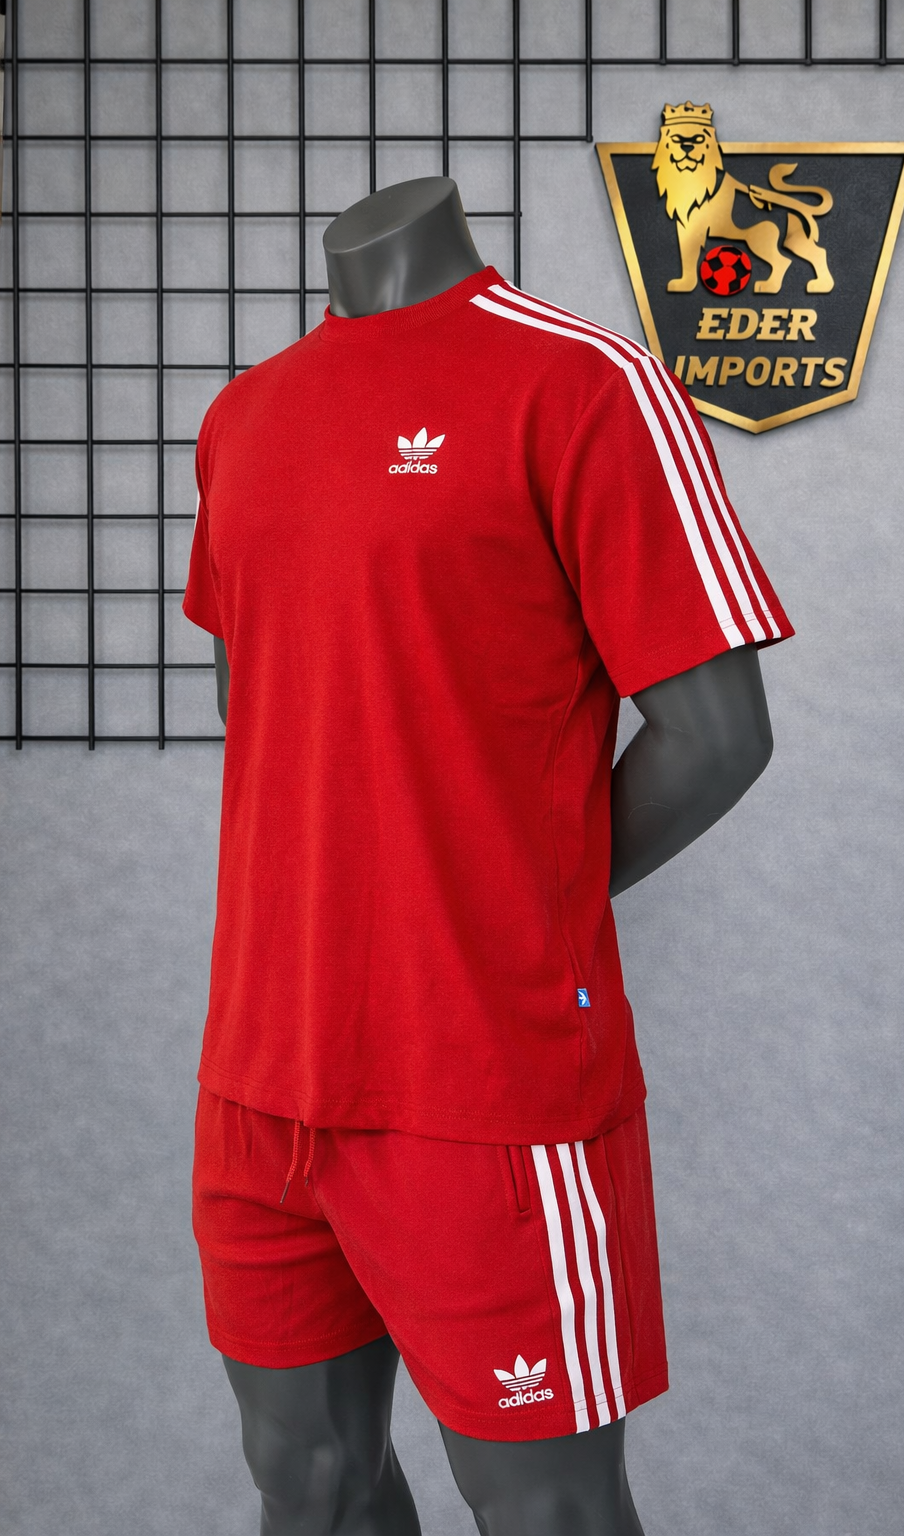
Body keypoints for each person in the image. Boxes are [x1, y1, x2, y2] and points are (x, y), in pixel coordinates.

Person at [184, 176, 792, 1535]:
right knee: (308, 1483)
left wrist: (513, 902)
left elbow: (719, 736)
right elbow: (263, 709)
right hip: (262, 1071)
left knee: (546, 1511)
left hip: (483, 1074)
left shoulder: (584, 385)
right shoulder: (243, 419)